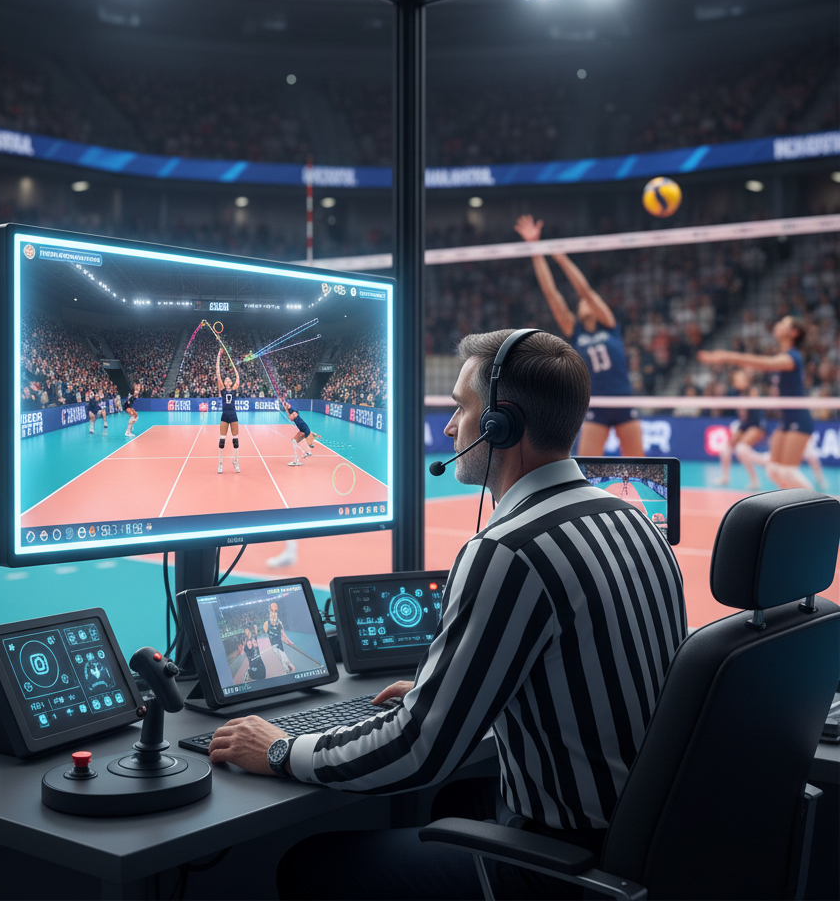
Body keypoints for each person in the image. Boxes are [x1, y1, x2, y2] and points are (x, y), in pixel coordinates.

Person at [209, 328, 686, 901]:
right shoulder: (634, 521)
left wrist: (282, 749)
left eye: (461, 408)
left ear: (499, 424)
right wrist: (454, 686)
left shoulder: (509, 550)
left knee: (307, 865)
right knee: (455, 803)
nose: (449, 427)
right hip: (644, 835)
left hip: (568, 866)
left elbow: (417, 751)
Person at [515, 214, 644, 457]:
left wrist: (562, 260)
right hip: (595, 403)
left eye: (589, 302)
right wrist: (536, 249)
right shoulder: (576, 331)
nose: (585, 303)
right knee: (586, 465)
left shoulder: (609, 325)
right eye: (581, 304)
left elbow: (585, 290)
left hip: (623, 399)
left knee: (641, 465)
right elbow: (551, 294)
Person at [697, 315, 813, 490]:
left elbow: (761, 363)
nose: (778, 325)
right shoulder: (783, 356)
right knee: (774, 470)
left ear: (793, 333)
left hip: (799, 419)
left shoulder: (792, 358)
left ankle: (824, 505)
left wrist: (727, 356)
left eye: (783, 324)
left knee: (787, 472)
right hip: (786, 420)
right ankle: (792, 510)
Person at [715, 369, 766, 491]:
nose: (737, 382)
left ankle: (756, 478)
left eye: (740, 379)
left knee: (741, 449)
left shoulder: (752, 390)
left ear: (746, 380)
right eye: (735, 380)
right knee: (725, 448)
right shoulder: (736, 392)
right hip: (744, 425)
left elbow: (755, 401)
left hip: (757, 424)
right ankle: (725, 477)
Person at [216, 348, 241, 474]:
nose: (227, 380)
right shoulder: (222, 389)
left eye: (228, 379)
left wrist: (234, 367)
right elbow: (218, 373)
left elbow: (238, 378)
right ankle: (220, 464)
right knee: (222, 440)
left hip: (234, 415)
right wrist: (218, 356)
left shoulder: (234, 388)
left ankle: (235, 462)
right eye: (226, 380)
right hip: (225, 415)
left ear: (230, 382)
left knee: (235, 440)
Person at [263, 602, 296, 674]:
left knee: (285, 662)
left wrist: (289, 641)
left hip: (280, 647)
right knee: (283, 663)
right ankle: (288, 671)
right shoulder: (266, 624)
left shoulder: (279, 623)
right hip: (274, 647)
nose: (273, 613)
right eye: (272, 610)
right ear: (269, 611)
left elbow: (283, 635)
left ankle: (288, 671)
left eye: (275, 611)